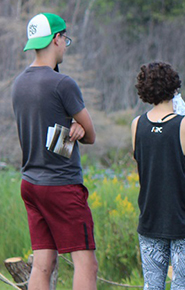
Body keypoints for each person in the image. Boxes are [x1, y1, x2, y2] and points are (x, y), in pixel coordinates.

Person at [11, 12, 99, 290]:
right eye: (65, 39)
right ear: (57, 39)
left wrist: (72, 124)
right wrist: (78, 125)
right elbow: (91, 136)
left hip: (31, 184)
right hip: (61, 186)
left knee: (42, 264)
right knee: (87, 264)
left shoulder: (18, 83)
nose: (65, 44)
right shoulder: (63, 83)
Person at [131, 61, 185, 290]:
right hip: (184, 219)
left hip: (150, 217)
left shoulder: (137, 125)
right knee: (182, 287)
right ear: (174, 89)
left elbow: (143, 163)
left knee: (152, 285)